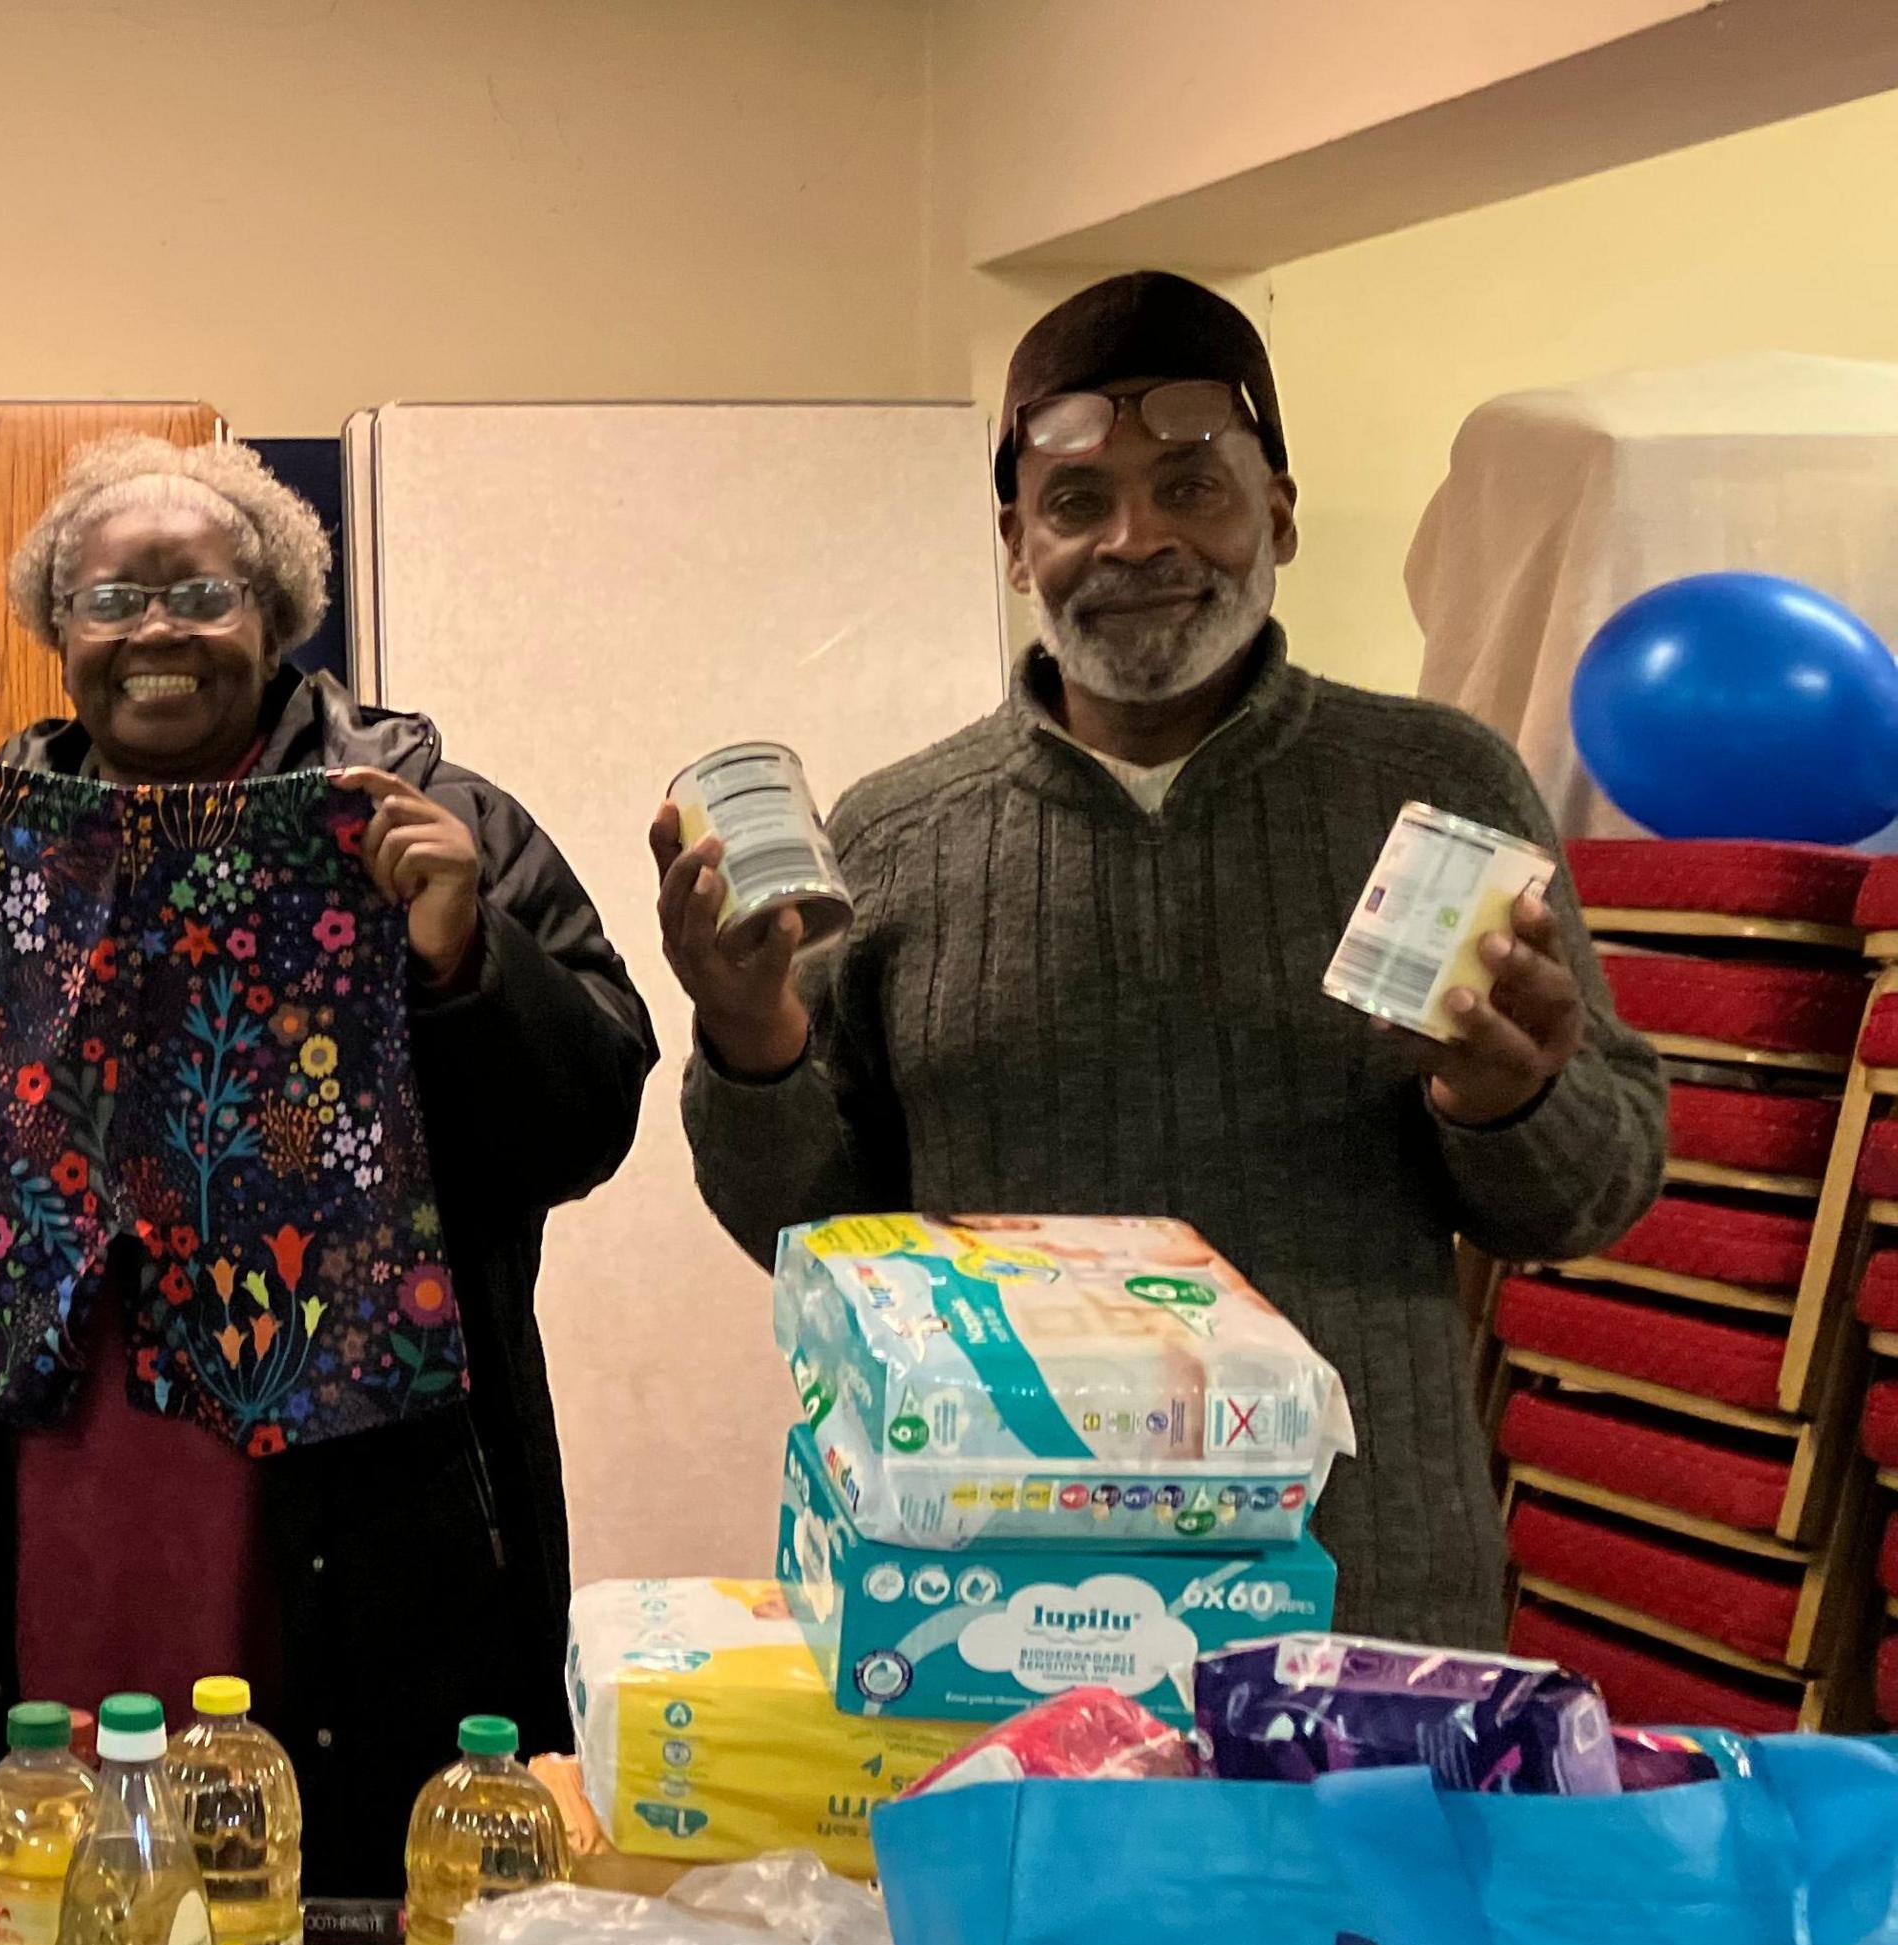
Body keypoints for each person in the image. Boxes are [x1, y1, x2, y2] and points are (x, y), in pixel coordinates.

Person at [657, 271, 1667, 1649]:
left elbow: (1595, 1193)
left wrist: (1512, 1102)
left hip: (1362, 1597)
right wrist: (750, 1044)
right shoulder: (893, 834)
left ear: (1280, 514)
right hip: (991, 1611)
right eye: (1078, 503)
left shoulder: (1433, 786)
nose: (1137, 540)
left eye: (1192, 487)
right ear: (1017, 545)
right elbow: (818, 1246)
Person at [0, 436, 656, 1887]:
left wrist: (465, 959)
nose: (157, 630)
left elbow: (586, 1123)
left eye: (203, 592)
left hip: (352, 1501)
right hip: (20, 1483)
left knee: (336, 1912)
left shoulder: (438, 822)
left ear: (279, 614)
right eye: (111, 598)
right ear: (58, 629)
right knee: (17, 1905)